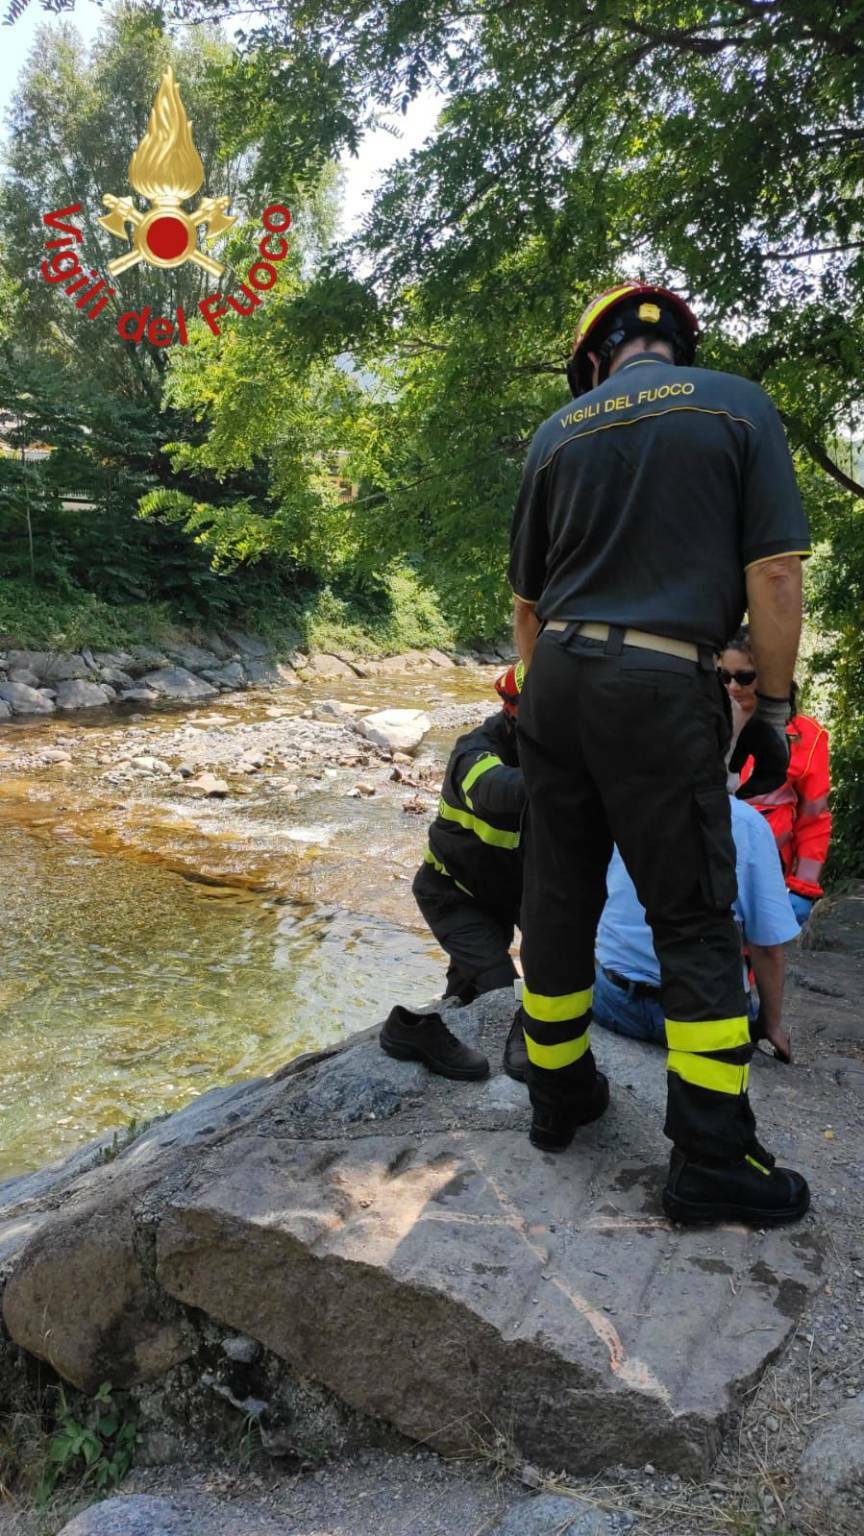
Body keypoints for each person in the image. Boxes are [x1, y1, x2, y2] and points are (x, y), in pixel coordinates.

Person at [508, 279, 813, 1227]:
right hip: (661, 679)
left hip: (555, 672)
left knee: (558, 899)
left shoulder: (558, 432)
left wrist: (548, 702)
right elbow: (773, 570)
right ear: (677, 345)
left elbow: (526, 608)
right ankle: (712, 1156)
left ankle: (560, 1098)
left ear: (594, 362)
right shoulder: (735, 405)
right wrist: (772, 705)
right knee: (689, 915)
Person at [380, 664, 528, 1082]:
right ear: (511, 708)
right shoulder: (475, 749)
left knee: (541, 979)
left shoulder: (563, 743)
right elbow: (494, 790)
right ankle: (421, 1033)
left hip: (510, 893)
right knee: (501, 989)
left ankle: (439, 1023)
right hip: (453, 894)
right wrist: (567, 778)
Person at [594, 796, 799, 1063]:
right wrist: (771, 1026)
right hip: (701, 1014)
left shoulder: (625, 805)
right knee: (748, 1006)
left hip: (616, 1002)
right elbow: (767, 947)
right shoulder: (746, 824)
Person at [719, 624, 831, 926]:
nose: (732, 687)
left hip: (764, 871)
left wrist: (804, 889)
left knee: (757, 960)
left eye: (744, 677)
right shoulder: (704, 725)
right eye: (725, 677)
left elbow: (815, 818)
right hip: (706, 859)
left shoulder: (806, 737)